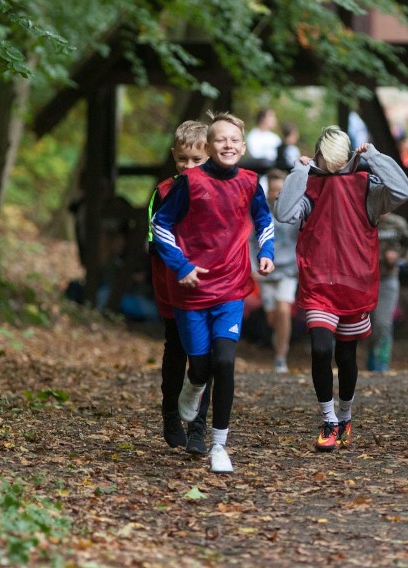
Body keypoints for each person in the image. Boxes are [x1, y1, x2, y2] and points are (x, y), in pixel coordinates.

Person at [273, 125, 408, 452]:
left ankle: (346, 413)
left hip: (354, 288)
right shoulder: (309, 188)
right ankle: (328, 419)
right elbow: (283, 213)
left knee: (346, 356)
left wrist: (374, 157)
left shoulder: (367, 188)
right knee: (321, 349)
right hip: (319, 286)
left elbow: (403, 191)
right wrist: (299, 172)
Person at [152, 111, 275, 473]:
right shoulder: (188, 183)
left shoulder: (251, 182)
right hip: (191, 291)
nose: (228, 145)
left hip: (232, 288)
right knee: (200, 364)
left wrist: (266, 253)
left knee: (225, 361)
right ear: (209, 146)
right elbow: (160, 225)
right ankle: (191, 387)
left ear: (243, 146)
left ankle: (219, 446)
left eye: (234, 140)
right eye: (220, 140)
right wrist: (182, 266)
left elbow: (265, 220)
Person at [147, 120, 211, 451]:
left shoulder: (218, 188)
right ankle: (171, 413)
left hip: (209, 284)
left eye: (197, 160)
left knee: (206, 355)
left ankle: (199, 426)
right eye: (183, 159)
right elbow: (154, 239)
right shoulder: (162, 192)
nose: (188, 167)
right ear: (174, 156)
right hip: (173, 283)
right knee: (176, 347)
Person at [251, 168, 298, 373]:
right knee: (272, 317)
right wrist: (254, 267)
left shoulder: (295, 212)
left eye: (280, 190)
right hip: (266, 271)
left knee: (284, 309)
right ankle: (278, 336)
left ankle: (281, 356)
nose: (276, 194)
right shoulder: (261, 213)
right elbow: (251, 242)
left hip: (289, 271)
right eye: (272, 190)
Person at [366, 211, 408, 372]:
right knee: (368, 325)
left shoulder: (398, 223)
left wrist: (397, 257)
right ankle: (371, 358)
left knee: (383, 323)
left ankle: (381, 363)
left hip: (388, 279)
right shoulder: (363, 219)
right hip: (364, 281)